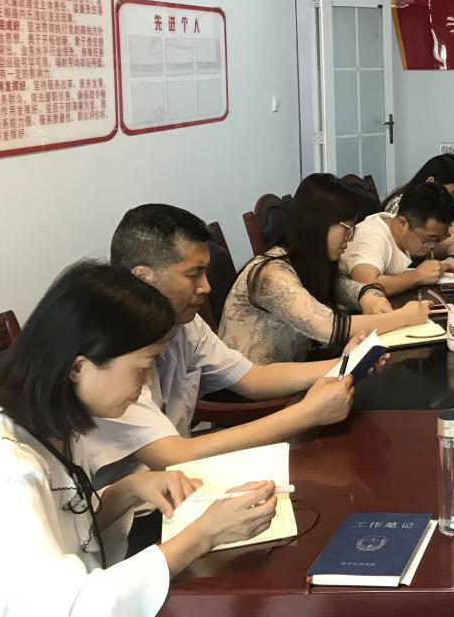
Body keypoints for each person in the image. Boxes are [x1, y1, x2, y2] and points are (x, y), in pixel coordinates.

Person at [0, 262, 278, 617]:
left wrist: (128, 490)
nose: (145, 385)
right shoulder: (7, 469)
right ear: (78, 368)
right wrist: (205, 533)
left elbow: (67, 533)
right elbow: (73, 616)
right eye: (142, 368)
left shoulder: (52, 425)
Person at [79, 203, 374, 489]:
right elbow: (172, 456)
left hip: (185, 484)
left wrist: (345, 365)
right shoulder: (109, 355)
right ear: (142, 278)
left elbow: (253, 378)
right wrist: (307, 414)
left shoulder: (184, 323)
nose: (206, 287)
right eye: (193, 274)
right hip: (139, 508)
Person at [220, 174, 429, 364]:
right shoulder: (271, 274)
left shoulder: (308, 262)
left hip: (294, 372)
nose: (350, 239)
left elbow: (341, 286)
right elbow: (328, 328)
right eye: (347, 229)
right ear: (318, 223)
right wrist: (403, 318)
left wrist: (367, 295)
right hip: (259, 388)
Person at [341, 182, 454, 295]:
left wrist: (452, 260)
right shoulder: (373, 237)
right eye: (429, 239)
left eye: (438, 239)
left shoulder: (408, 230)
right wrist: (417, 276)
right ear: (402, 224)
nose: (432, 245)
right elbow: (366, 286)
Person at [384, 155, 454, 251]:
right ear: (430, 182)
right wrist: (453, 240)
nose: (453, 200)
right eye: (451, 194)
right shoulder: (401, 205)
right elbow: (412, 250)